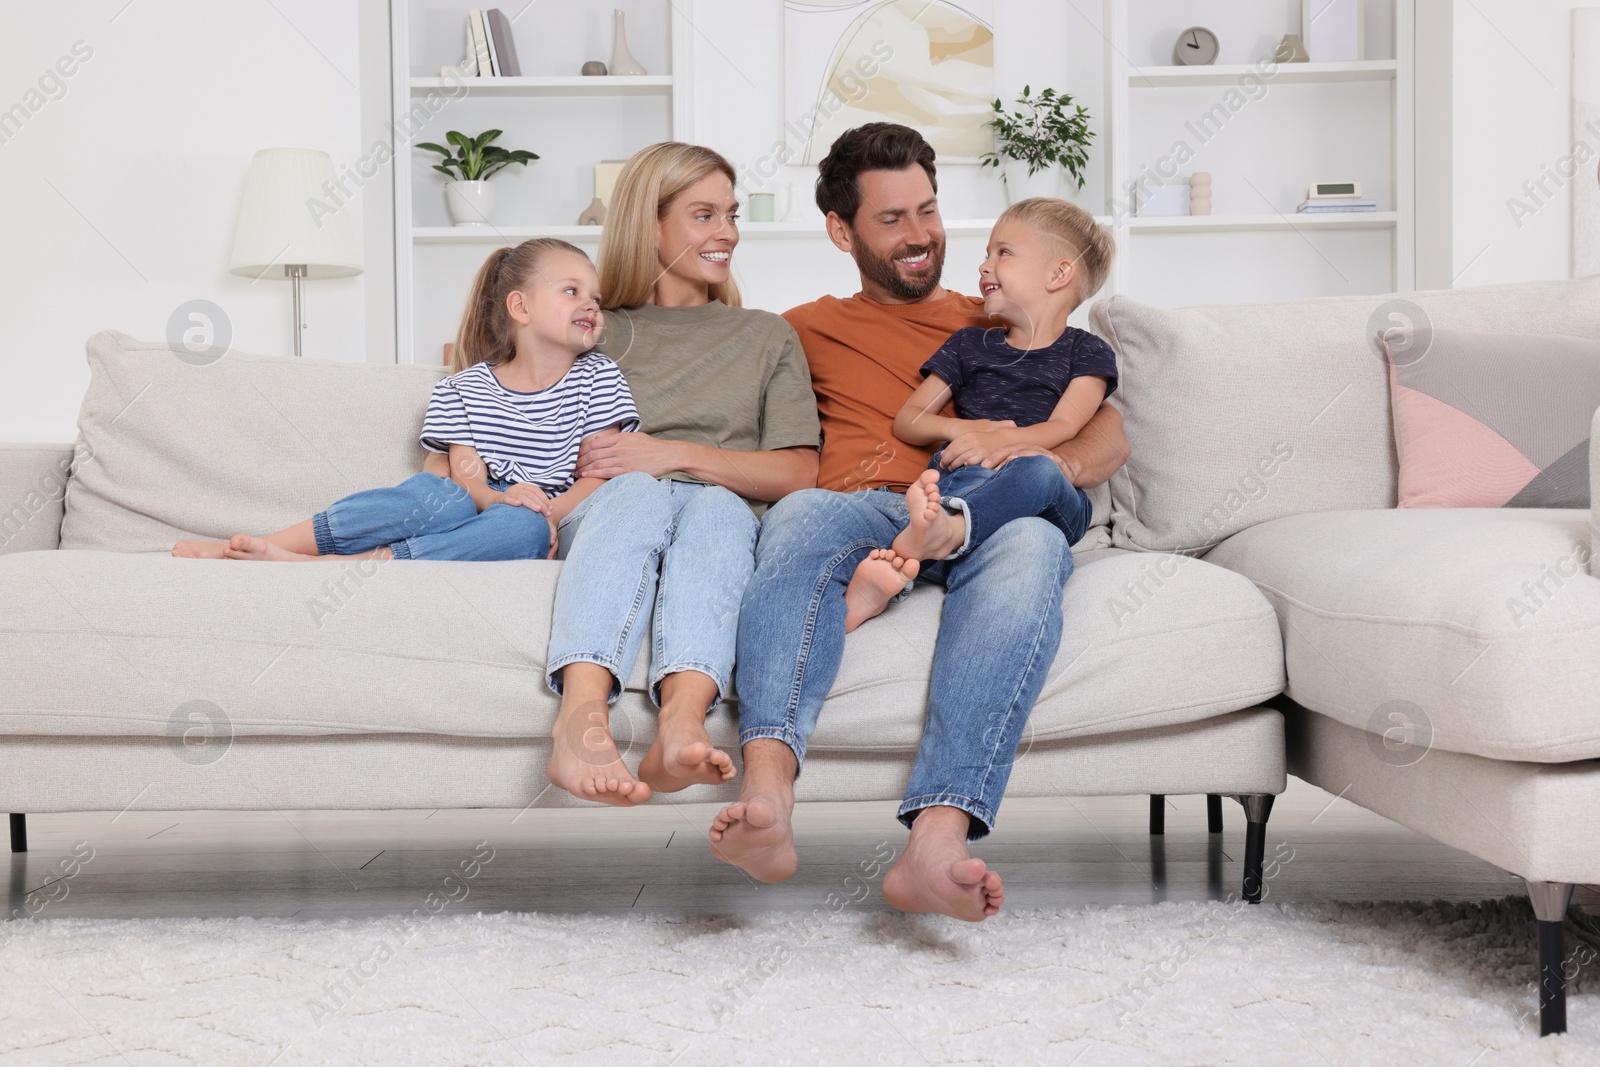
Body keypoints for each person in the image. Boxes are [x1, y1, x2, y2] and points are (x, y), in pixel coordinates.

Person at [708, 123, 1129, 921]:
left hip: (986, 509)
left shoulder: (1001, 314)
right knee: (798, 516)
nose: (920, 235)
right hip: (862, 505)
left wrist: (1029, 460)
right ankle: (768, 800)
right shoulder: (800, 328)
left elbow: (1108, 431)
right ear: (842, 231)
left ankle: (937, 843)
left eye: (927, 210)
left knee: (1036, 541)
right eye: (891, 218)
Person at [541, 142, 822, 806]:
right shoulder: (593, 328)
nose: (726, 231)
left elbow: (798, 472)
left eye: (729, 214)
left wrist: (672, 453)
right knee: (638, 491)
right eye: (704, 215)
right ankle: (580, 720)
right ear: (651, 222)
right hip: (614, 506)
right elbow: (514, 416)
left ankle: (681, 723)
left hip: (715, 514)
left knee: (720, 507)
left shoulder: (764, 335)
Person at [171, 239, 633, 564]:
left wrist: (540, 512)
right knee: (440, 494)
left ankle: (371, 562)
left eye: (595, 296)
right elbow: (465, 475)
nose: (591, 304)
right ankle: (265, 544)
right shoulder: (465, 388)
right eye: (571, 291)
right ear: (521, 308)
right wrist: (498, 497)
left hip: (539, 524)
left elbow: (597, 477)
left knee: (523, 528)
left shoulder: (599, 378)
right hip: (480, 506)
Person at [843, 197, 1119, 631]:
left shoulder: (1086, 351)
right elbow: (909, 419)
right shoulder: (970, 344)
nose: (984, 266)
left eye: (1003, 253)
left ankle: (940, 535)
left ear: (1059, 273)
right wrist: (972, 431)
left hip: (1044, 499)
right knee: (944, 490)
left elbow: (1065, 426)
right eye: (987, 253)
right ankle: (902, 568)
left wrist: (1005, 442)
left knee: (1041, 471)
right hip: (963, 479)